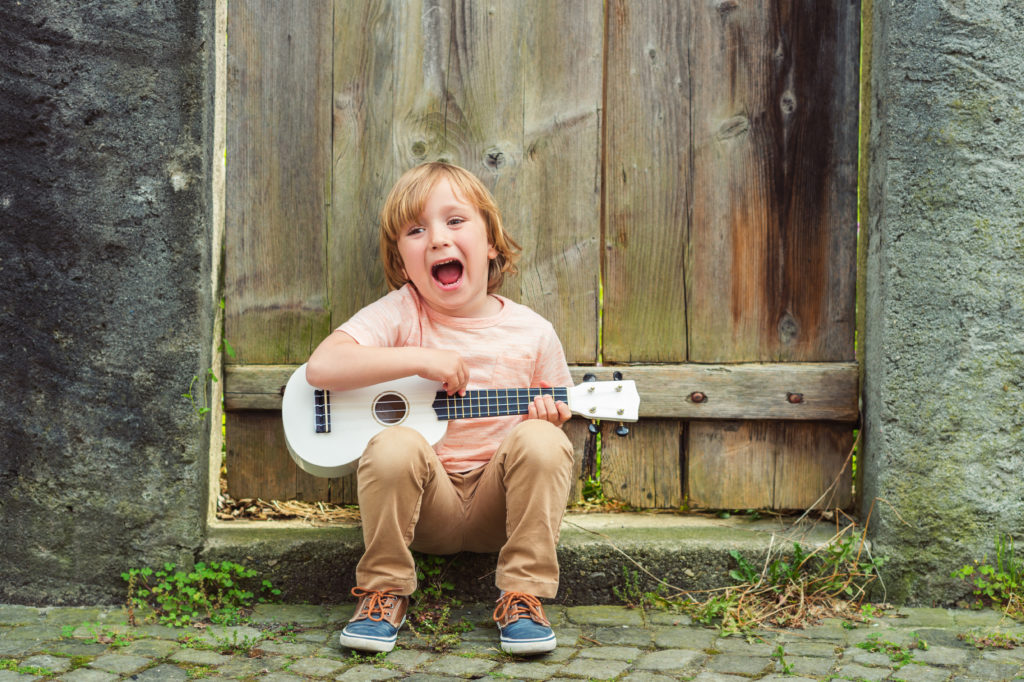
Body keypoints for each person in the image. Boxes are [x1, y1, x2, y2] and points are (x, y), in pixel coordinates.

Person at [305, 161, 575, 656]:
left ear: (489, 242)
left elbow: (557, 410)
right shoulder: (402, 310)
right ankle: (383, 590)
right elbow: (323, 367)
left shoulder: (533, 331)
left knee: (544, 440)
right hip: (425, 508)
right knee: (393, 445)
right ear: (402, 261)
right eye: (416, 229)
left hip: (500, 505)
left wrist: (548, 422)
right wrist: (420, 359)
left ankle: (523, 595)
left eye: (455, 221)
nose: (436, 239)